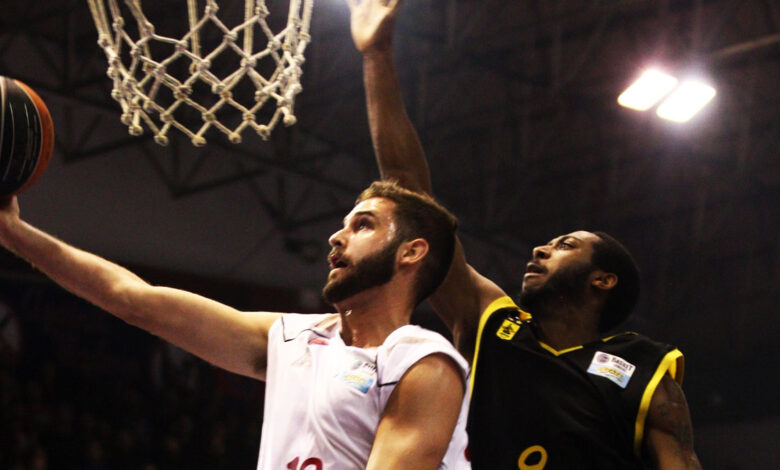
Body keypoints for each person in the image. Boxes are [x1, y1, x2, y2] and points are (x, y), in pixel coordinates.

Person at [346, 0, 702, 468]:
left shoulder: (644, 370)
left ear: (603, 280)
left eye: (566, 246)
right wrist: (377, 54)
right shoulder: (494, 326)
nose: (540, 249)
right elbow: (411, 197)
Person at [0, 180, 471, 470]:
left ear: (411, 252)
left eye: (363, 225)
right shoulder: (291, 338)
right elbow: (133, 300)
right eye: (344, 224)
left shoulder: (422, 362)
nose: (336, 235)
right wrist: (14, 233)